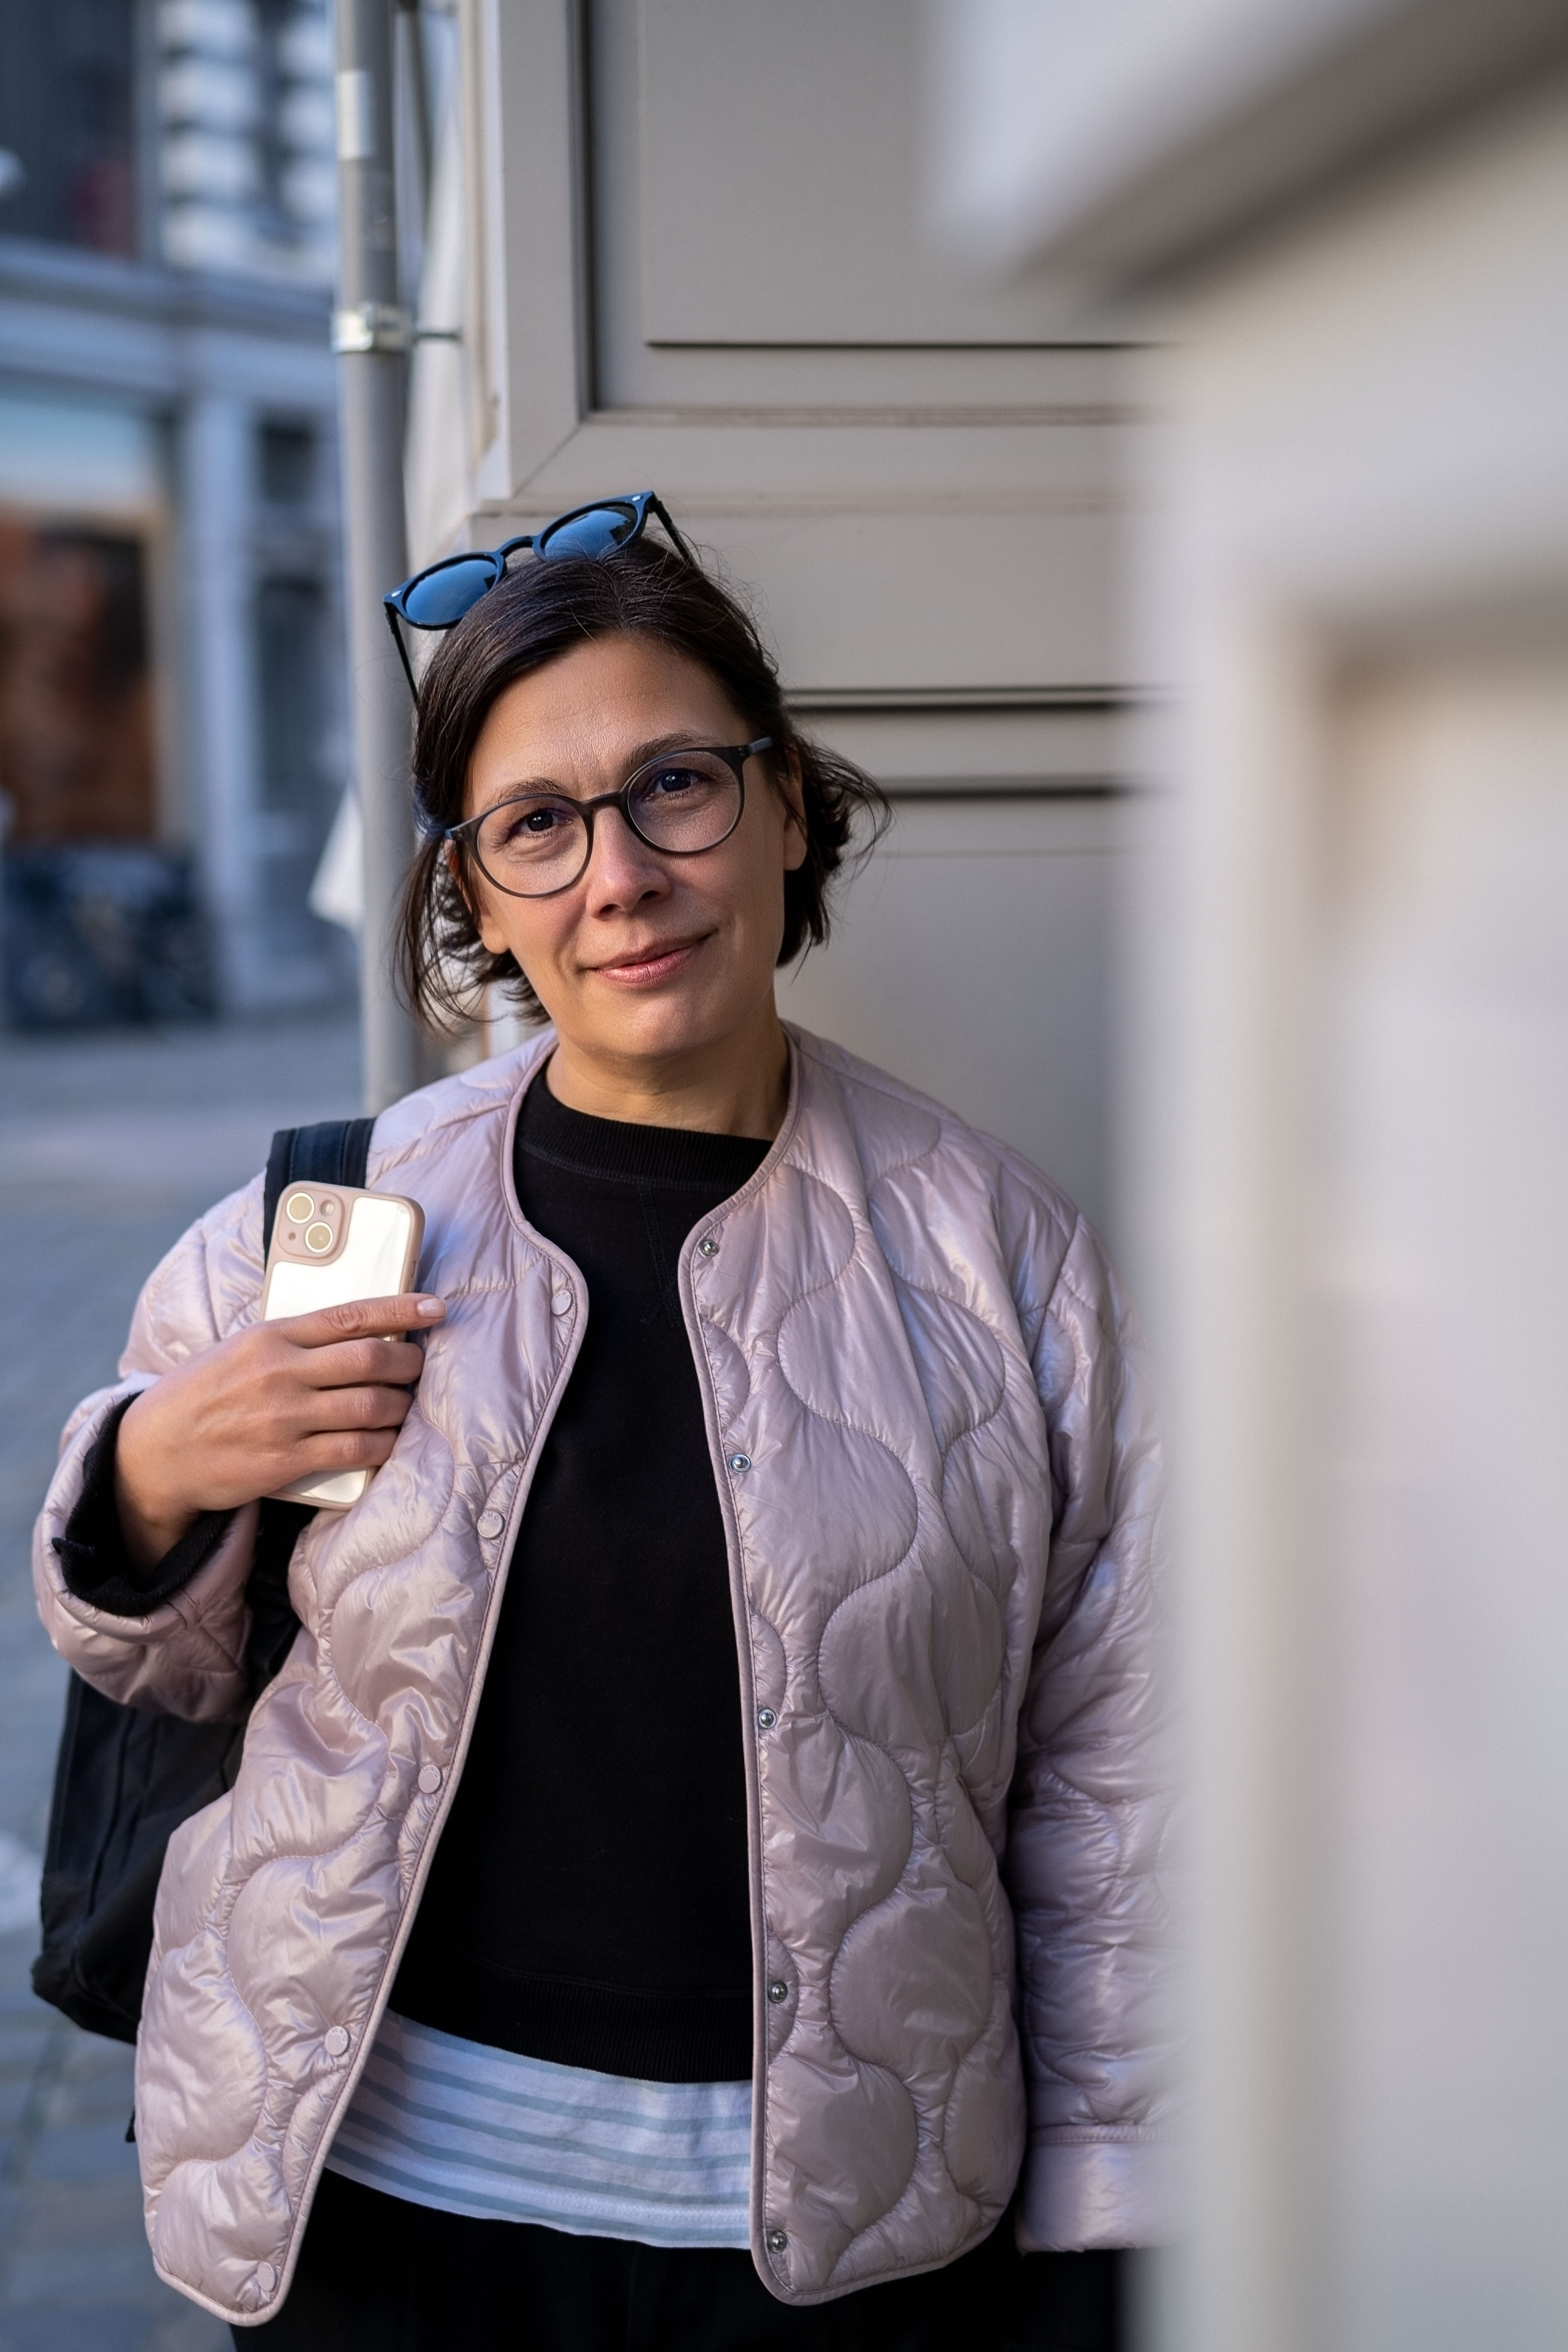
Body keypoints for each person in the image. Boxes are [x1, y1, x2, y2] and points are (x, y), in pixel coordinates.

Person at [33, 508, 1171, 2350]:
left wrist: (1113, 2236)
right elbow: (148, 1665)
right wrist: (150, 1472)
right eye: (538, 825)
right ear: (474, 893)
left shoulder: (999, 1256)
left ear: (787, 806)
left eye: (675, 787)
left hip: (840, 2249)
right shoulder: (319, 1228)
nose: (619, 874)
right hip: (379, 2224)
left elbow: (1119, 1790)